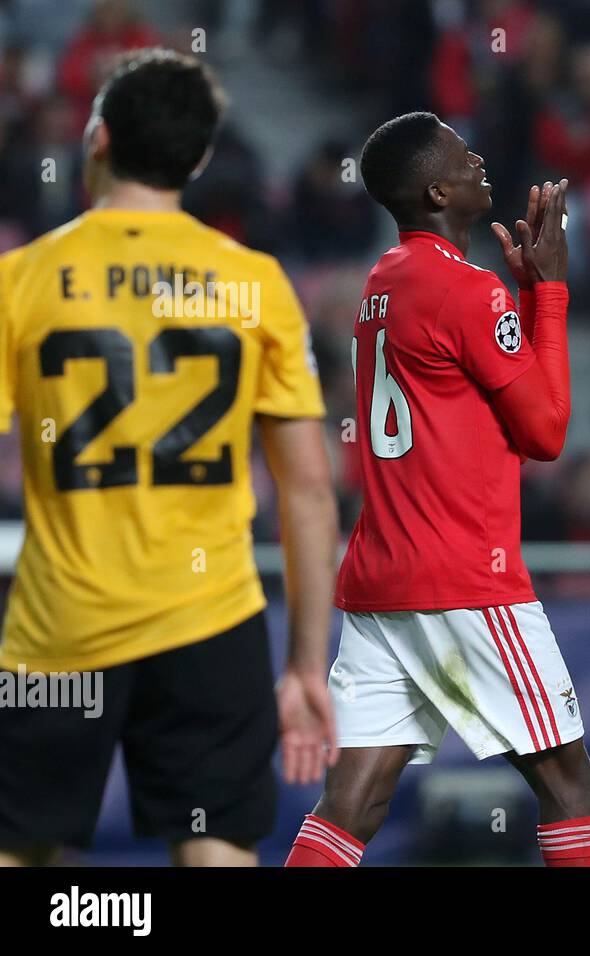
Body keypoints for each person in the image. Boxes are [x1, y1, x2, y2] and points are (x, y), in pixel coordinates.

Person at [0, 48, 338, 866]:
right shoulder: (255, 283)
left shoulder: (22, 281)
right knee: (216, 848)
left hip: (60, 624)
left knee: (21, 849)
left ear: (99, 138)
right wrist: (305, 667)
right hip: (211, 619)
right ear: (198, 158)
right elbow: (308, 492)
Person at [285, 112, 590, 868]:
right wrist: (548, 294)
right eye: (463, 156)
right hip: (467, 578)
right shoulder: (469, 290)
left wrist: (524, 295)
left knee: (352, 802)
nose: (478, 161)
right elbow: (546, 434)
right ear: (438, 188)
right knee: (573, 789)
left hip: (381, 579)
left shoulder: (382, 282)